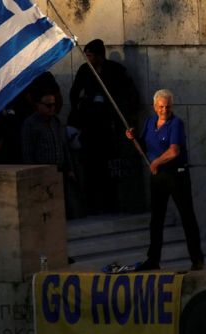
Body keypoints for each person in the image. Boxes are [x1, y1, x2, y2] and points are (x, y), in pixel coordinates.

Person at [126, 89, 204, 271]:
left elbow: (174, 151)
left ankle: (197, 259)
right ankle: (153, 259)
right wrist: (133, 139)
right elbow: (144, 149)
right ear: (155, 107)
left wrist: (156, 163)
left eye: (167, 107)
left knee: (187, 216)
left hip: (176, 175)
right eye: (161, 107)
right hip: (158, 176)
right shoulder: (150, 122)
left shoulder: (176, 123)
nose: (164, 110)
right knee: (156, 219)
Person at [69, 38, 139, 214]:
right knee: (91, 168)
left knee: (110, 168)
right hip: (89, 128)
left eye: (90, 55)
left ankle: (113, 203)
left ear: (100, 55)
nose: (88, 59)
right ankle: (92, 205)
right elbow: (74, 94)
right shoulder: (85, 71)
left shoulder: (115, 70)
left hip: (109, 128)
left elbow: (129, 96)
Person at [21, 90, 78, 218]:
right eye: (48, 105)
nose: (52, 108)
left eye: (54, 105)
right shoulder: (30, 124)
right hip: (43, 171)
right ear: (38, 105)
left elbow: (63, 145)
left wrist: (69, 168)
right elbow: (28, 150)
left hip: (59, 170)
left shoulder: (55, 122)